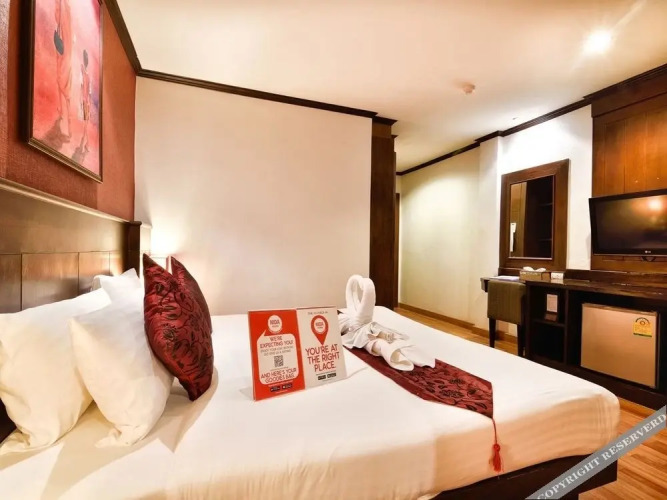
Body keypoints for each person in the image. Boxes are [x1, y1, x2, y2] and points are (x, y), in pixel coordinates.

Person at [55, 0, 72, 138]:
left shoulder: (63, 8)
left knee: (61, 81)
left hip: (64, 55)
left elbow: (57, 15)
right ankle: (62, 112)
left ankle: (63, 114)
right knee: (63, 84)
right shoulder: (67, 11)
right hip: (65, 56)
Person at [80, 49, 91, 152]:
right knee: (86, 121)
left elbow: (82, 87)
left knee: (86, 122)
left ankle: (86, 142)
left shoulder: (84, 74)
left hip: (85, 101)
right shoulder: (86, 74)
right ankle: (86, 143)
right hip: (86, 101)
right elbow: (88, 91)